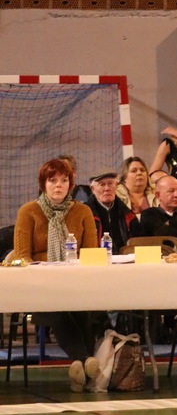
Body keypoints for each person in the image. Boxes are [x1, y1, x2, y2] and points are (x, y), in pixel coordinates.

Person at [12, 157, 100, 391]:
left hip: (75, 282)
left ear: (71, 185)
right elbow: (22, 257)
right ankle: (85, 359)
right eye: (52, 180)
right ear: (43, 184)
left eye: (64, 180)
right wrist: (50, 270)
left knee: (83, 307)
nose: (58, 185)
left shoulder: (83, 211)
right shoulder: (28, 212)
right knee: (57, 306)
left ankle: (80, 371)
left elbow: (91, 255)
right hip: (39, 286)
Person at [86, 169, 134, 254]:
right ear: (93, 189)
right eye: (102, 184)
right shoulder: (85, 214)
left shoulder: (127, 214)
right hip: (96, 259)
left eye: (110, 183)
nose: (107, 188)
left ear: (116, 186)